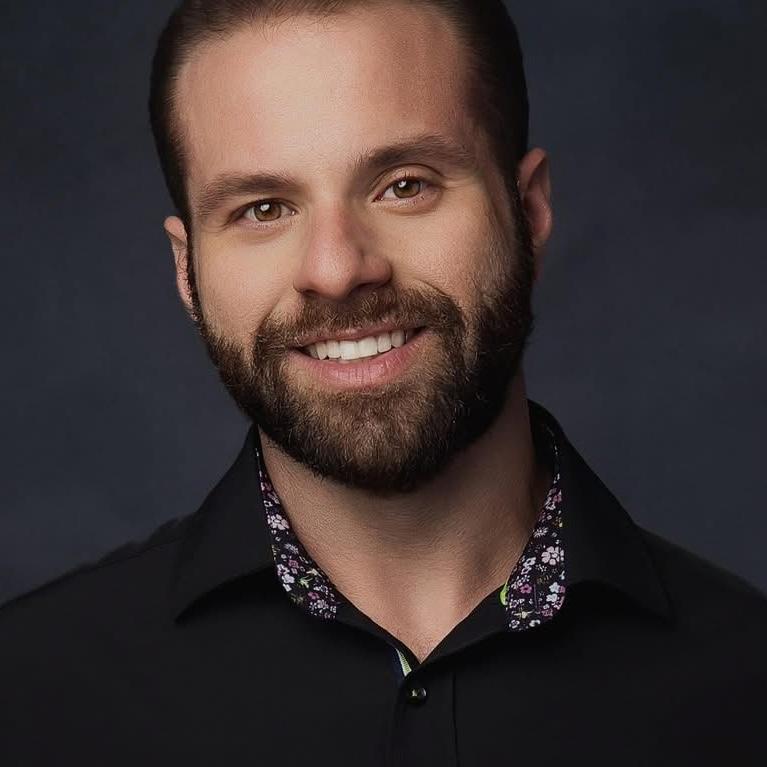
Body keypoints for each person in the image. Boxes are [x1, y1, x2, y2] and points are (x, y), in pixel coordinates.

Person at [2, 1, 765, 764]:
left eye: (404, 185)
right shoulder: (31, 696)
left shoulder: (743, 684)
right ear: (186, 272)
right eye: (263, 209)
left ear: (528, 211)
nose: (336, 269)